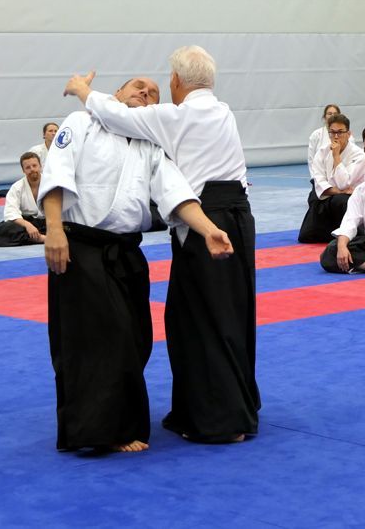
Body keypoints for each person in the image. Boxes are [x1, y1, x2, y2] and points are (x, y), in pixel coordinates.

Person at [64, 45, 259, 444]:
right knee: (223, 315)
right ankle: (220, 407)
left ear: (175, 80)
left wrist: (82, 90)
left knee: (204, 320)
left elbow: (117, 115)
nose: (150, 93)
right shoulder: (223, 112)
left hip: (206, 221)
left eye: (157, 87)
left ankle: (222, 420)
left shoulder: (173, 117)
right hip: (236, 219)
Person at [297, 114, 365, 243]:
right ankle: (332, 232)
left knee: (340, 200)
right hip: (327, 196)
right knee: (306, 235)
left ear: (348, 134)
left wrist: (336, 156)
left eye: (340, 132)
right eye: (332, 132)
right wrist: (339, 191)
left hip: (347, 200)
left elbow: (345, 182)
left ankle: (352, 233)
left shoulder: (359, 155)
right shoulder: (322, 152)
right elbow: (319, 180)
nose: (336, 136)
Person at [0, 152, 47, 247]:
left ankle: (34, 238)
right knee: (3, 229)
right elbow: (11, 212)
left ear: (40, 166)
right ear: (23, 170)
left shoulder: (51, 183)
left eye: (34, 166)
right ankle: (41, 238)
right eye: (28, 167)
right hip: (27, 222)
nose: (32, 169)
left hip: (49, 221)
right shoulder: (17, 187)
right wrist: (28, 225)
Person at [306, 104, 355, 169]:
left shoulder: (348, 136)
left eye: (335, 113)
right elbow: (311, 159)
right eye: (329, 113)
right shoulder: (316, 135)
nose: (332, 115)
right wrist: (314, 175)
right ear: (324, 117)